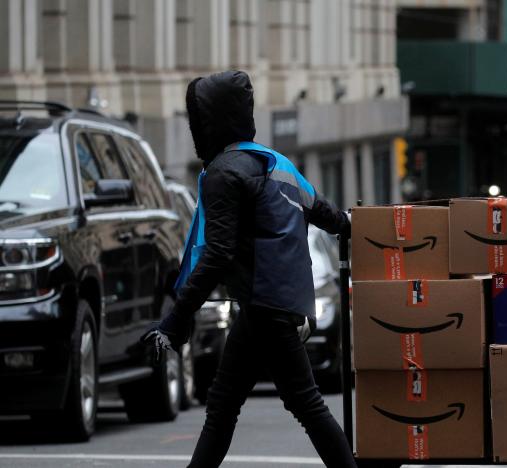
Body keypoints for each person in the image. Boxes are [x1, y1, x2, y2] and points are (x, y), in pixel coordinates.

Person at [141, 70, 356, 468]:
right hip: (275, 303)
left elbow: (218, 254)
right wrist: (350, 224)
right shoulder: (277, 163)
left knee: (302, 403)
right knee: (227, 404)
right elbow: (325, 213)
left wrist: (175, 318)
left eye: (198, 120)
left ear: (212, 121)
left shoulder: (223, 173)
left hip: (263, 305)